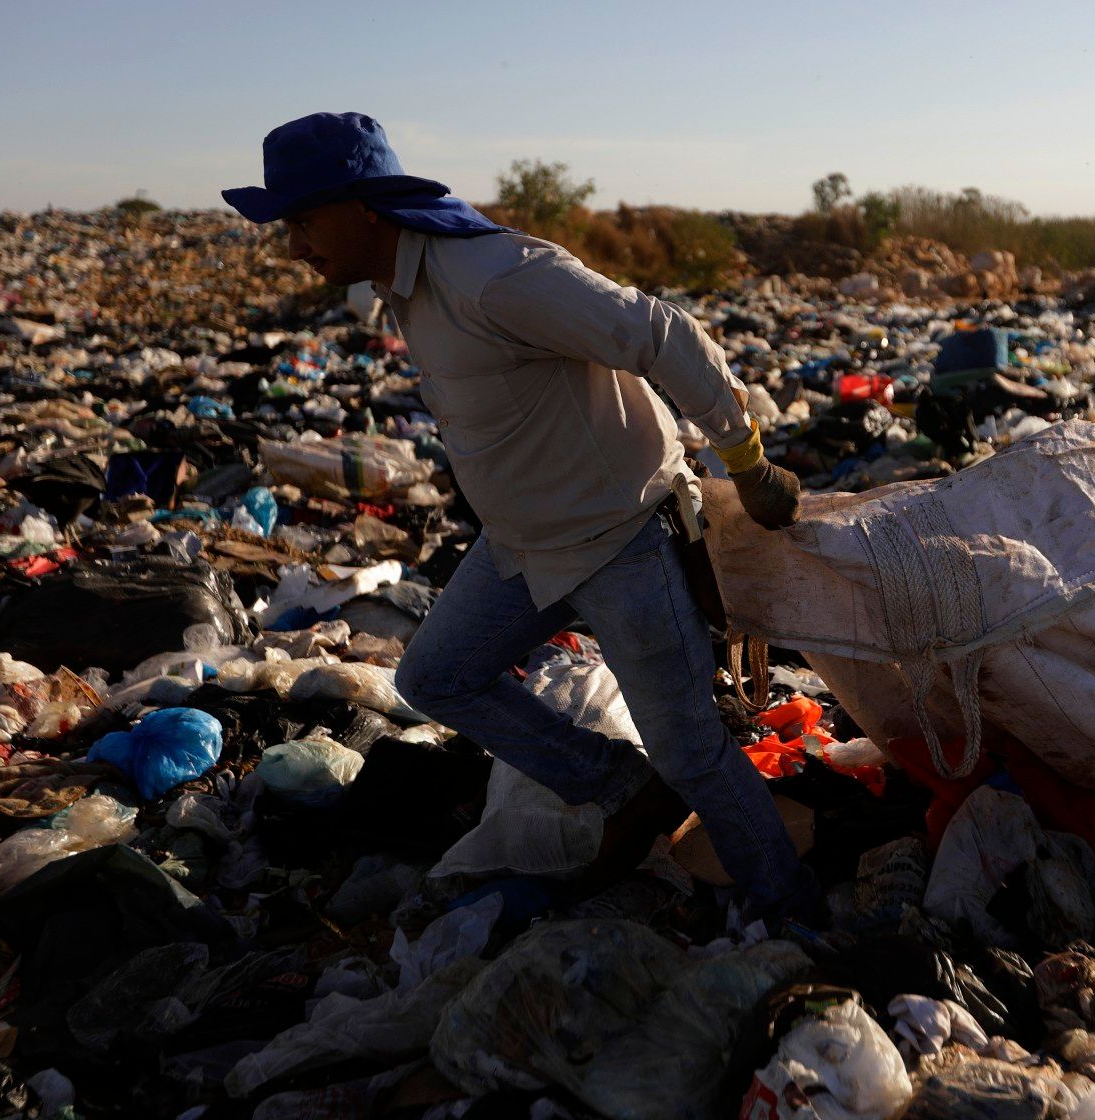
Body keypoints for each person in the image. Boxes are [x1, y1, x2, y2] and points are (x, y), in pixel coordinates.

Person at [223, 112, 813, 920]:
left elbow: (659, 332)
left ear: (364, 208)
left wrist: (746, 460)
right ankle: (623, 787)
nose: (294, 245)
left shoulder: (492, 276)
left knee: (693, 752)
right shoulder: (403, 286)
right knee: (434, 678)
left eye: (304, 221)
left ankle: (790, 914)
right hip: (524, 547)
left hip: (622, 537)